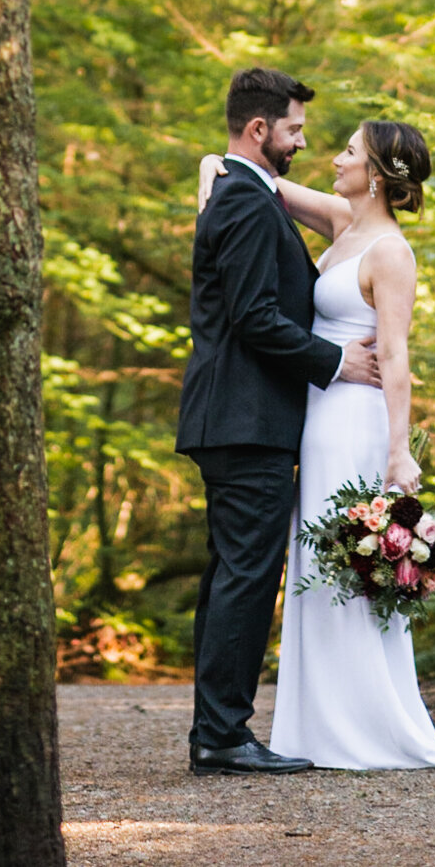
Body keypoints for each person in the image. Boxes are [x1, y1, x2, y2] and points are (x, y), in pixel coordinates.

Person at [199, 117, 435, 772]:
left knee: (355, 569)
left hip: (356, 423)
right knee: (314, 566)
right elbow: (247, 181)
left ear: (374, 173)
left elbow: (395, 353)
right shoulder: (344, 225)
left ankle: (365, 723)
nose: (331, 157)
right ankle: (312, 727)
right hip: (316, 417)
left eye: (346, 150)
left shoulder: (391, 251)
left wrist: (400, 451)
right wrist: (209, 166)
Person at [176, 66, 383, 775]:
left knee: (232, 574)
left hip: (239, 418)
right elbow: (254, 318)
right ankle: (223, 735)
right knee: (244, 575)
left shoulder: (245, 191)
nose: (301, 141)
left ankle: (217, 728)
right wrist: (335, 362)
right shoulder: (241, 200)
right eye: (293, 129)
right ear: (259, 129)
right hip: (244, 418)